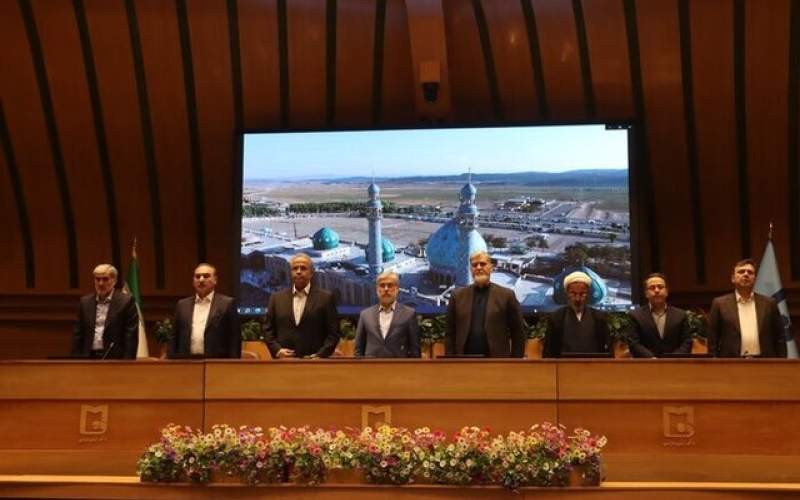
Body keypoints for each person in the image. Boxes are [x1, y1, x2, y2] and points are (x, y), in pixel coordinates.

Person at [445, 251, 525, 357]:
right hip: (463, 361)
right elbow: (450, 332)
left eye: (482, 264)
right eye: (474, 265)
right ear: (471, 269)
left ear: (491, 267)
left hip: (497, 362)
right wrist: (450, 361)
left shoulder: (506, 295)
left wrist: (515, 362)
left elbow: (518, 332)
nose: (478, 267)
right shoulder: (457, 296)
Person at [264, 253, 340, 358]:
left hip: (315, 362)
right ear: (290, 272)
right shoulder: (276, 298)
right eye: (295, 268)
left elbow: (334, 333)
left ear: (311, 273)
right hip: (285, 362)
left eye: (303, 268)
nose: (298, 271)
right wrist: (277, 350)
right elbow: (268, 329)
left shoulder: (325, 298)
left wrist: (320, 355)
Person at [708, 258, 786, 358]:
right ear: (733, 278)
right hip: (731, 362)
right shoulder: (719, 304)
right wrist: (715, 363)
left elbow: (780, 337)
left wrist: (782, 362)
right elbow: (712, 339)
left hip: (765, 362)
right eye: (741, 272)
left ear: (754, 278)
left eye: (750, 272)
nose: (746, 274)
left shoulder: (769, 303)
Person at [169, 263, 241, 359]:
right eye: (197, 276)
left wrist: (233, 364)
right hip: (186, 362)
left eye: (206, 276)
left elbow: (234, 339)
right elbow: (174, 337)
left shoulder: (227, 304)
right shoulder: (182, 305)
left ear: (215, 280)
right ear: (193, 281)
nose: (201, 280)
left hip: (216, 362)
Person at [72, 264, 139, 359]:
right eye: (97, 279)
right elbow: (78, 335)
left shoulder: (126, 302)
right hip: (88, 357)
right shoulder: (85, 302)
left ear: (114, 281)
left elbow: (130, 337)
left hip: (115, 359)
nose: (100, 283)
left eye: (105, 279)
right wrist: (76, 361)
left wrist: (128, 363)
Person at [354, 271, 420, 358]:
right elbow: (358, 350)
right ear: (377, 290)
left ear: (397, 289)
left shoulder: (409, 314)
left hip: (398, 365)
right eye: (382, 285)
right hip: (371, 365)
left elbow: (415, 351)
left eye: (390, 285)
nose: (386, 289)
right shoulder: (365, 315)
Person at [544, 271, 610, 357]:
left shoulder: (599, 317)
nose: (577, 299)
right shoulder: (556, 318)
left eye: (582, 294)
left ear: (588, 294)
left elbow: (607, 352)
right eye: (573, 294)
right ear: (567, 293)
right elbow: (549, 353)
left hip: (593, 365)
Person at [627, 273, 692, 358]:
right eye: (652, 288)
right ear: (646, 293)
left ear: (666, 291)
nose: (657, 290)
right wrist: (652, 359)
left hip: (674, 364)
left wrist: (672, 360)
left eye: (660, 287)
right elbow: (634, 344)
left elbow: (687, 342)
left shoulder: (680, 315)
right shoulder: (635, 315)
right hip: (646, 363)